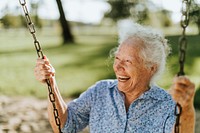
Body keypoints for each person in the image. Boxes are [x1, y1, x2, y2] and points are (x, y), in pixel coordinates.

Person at [34, 23, 195, 133]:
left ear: (150, 67)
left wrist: (186, 108)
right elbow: (65, 126)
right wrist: (51, 83)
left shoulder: (166, 103)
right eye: (117, 59)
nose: (117, 67)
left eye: (128, 61)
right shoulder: (100, 91)